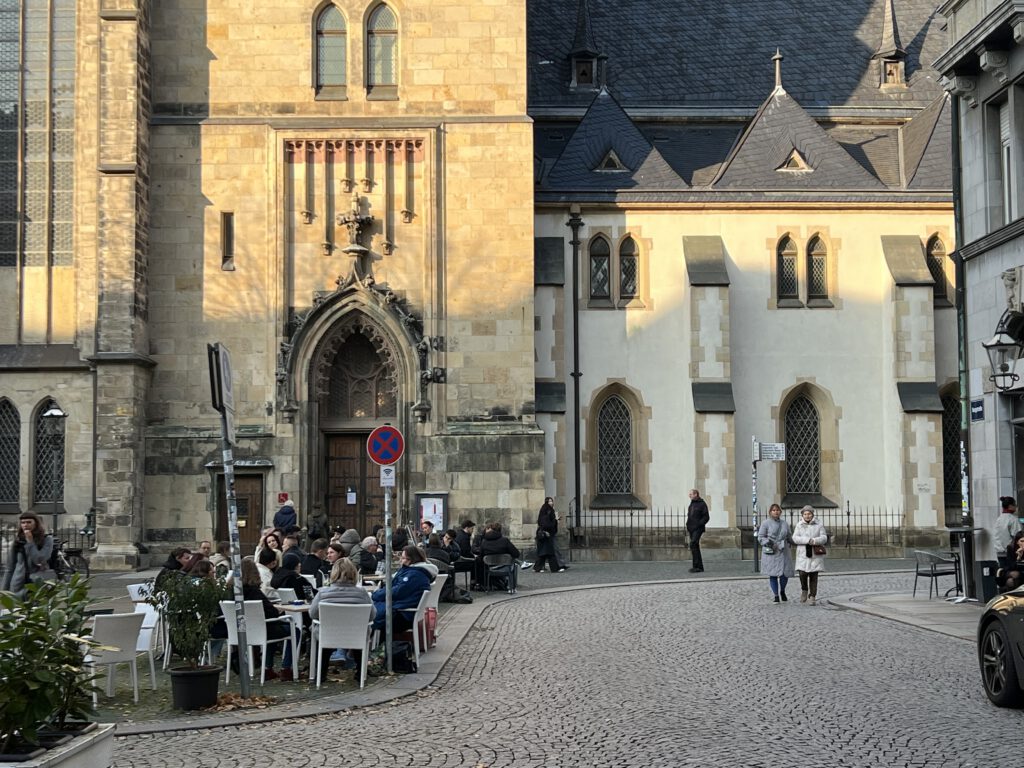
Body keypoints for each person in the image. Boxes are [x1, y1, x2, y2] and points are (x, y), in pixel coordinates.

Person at [309, 558, 372, 676]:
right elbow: (372, 615)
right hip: (356, 634)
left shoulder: (323, 593)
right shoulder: (362, 594)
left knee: (321, 630)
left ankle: (320, 673)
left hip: (328, 634)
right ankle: (360, 672)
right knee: (360, 632)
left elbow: (312, 614)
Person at [240, 559, 296, 681]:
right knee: (294, 630)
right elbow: (272, 613)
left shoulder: (232, 593)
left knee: (271, 628)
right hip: (262, 629)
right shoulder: (255, 592)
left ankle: (268, 668)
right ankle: (286, 668)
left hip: (240, 631)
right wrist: (279, 610)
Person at [371, 545, 433, 632]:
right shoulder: (414, 572)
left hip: (403, 615)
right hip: (403, 610)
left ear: (411, 560)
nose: (401, 560)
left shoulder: (414, 575)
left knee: (370, 617)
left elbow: (396, 591)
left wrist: (375, 595)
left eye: (403, 558)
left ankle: (373, 643)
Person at [2, 512, 54, 599]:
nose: (25, 525)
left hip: (37, 583)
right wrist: (4, 591)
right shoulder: (18, 541)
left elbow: (40, 559)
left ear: (36, 523)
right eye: (23, 523)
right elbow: (10, 568)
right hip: (18, 584)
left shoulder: (47, 540)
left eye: (29, 522)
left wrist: (30, 542)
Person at [757, 503, 794, 602]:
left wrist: (798, 542)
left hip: (784, 551)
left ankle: (782, 590)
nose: (776, 512)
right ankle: (776, 595)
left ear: (780, 512)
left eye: (777, 510)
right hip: (772, 551)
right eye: (773, 510)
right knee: (773, 574)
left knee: (784, 574)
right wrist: (768, 543)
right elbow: (761, 537)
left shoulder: (785, 523)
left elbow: (789, 536)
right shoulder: (765, 523)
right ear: (770, 512)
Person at [791, 505, 828, 605]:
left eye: (809, 514)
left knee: (813, 576)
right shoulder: (799, 525)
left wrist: (814, 541)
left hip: (815, 555)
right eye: (805, 514)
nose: (807, 516)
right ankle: (804, 590)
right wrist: (807, 540)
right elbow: (795, 538)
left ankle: (812, 596)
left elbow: (824, 537)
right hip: (803, 553)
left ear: (812, 515)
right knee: (802, 574)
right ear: (802, 515)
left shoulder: (818, 525)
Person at [476, 521, 521, 590]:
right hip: (505, 567)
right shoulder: (505, 541)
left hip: (489, 568)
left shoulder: (484, 542)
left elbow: (481, 557)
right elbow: (516, 554)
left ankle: (486, 585)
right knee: (513, 562)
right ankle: (512, 586)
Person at [534, 498, 564, 573]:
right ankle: (554, 568)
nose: (551, 502)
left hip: (546, 534)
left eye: (552, 501)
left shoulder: (548, 510)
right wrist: (554, 522)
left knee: (545, 552)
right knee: (549, 553)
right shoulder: (548, 510)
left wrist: (555, 521)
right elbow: (545, 522)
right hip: (546, 534)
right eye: (550, 501)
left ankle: (538, 567)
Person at [994, 496, 1021, 571]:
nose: (1016, 507)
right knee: (1013, 575)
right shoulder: (1013, 519)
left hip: (999, 553)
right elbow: (1018, 537)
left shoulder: (999, 519)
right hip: (1010, 554)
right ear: (1010, 506)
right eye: (1015, 505)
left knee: (1004, 574)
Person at [686, 488, 710, 573]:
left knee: (693, 544)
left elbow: (706, 517)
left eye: (691, 494)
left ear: (696, 494)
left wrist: (699, 524)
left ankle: (696, 566)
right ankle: (699, 567)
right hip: (691, 528)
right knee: (695, 546)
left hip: (698, 528)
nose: (689, 495)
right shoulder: (692, 504)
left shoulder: (702, 504)